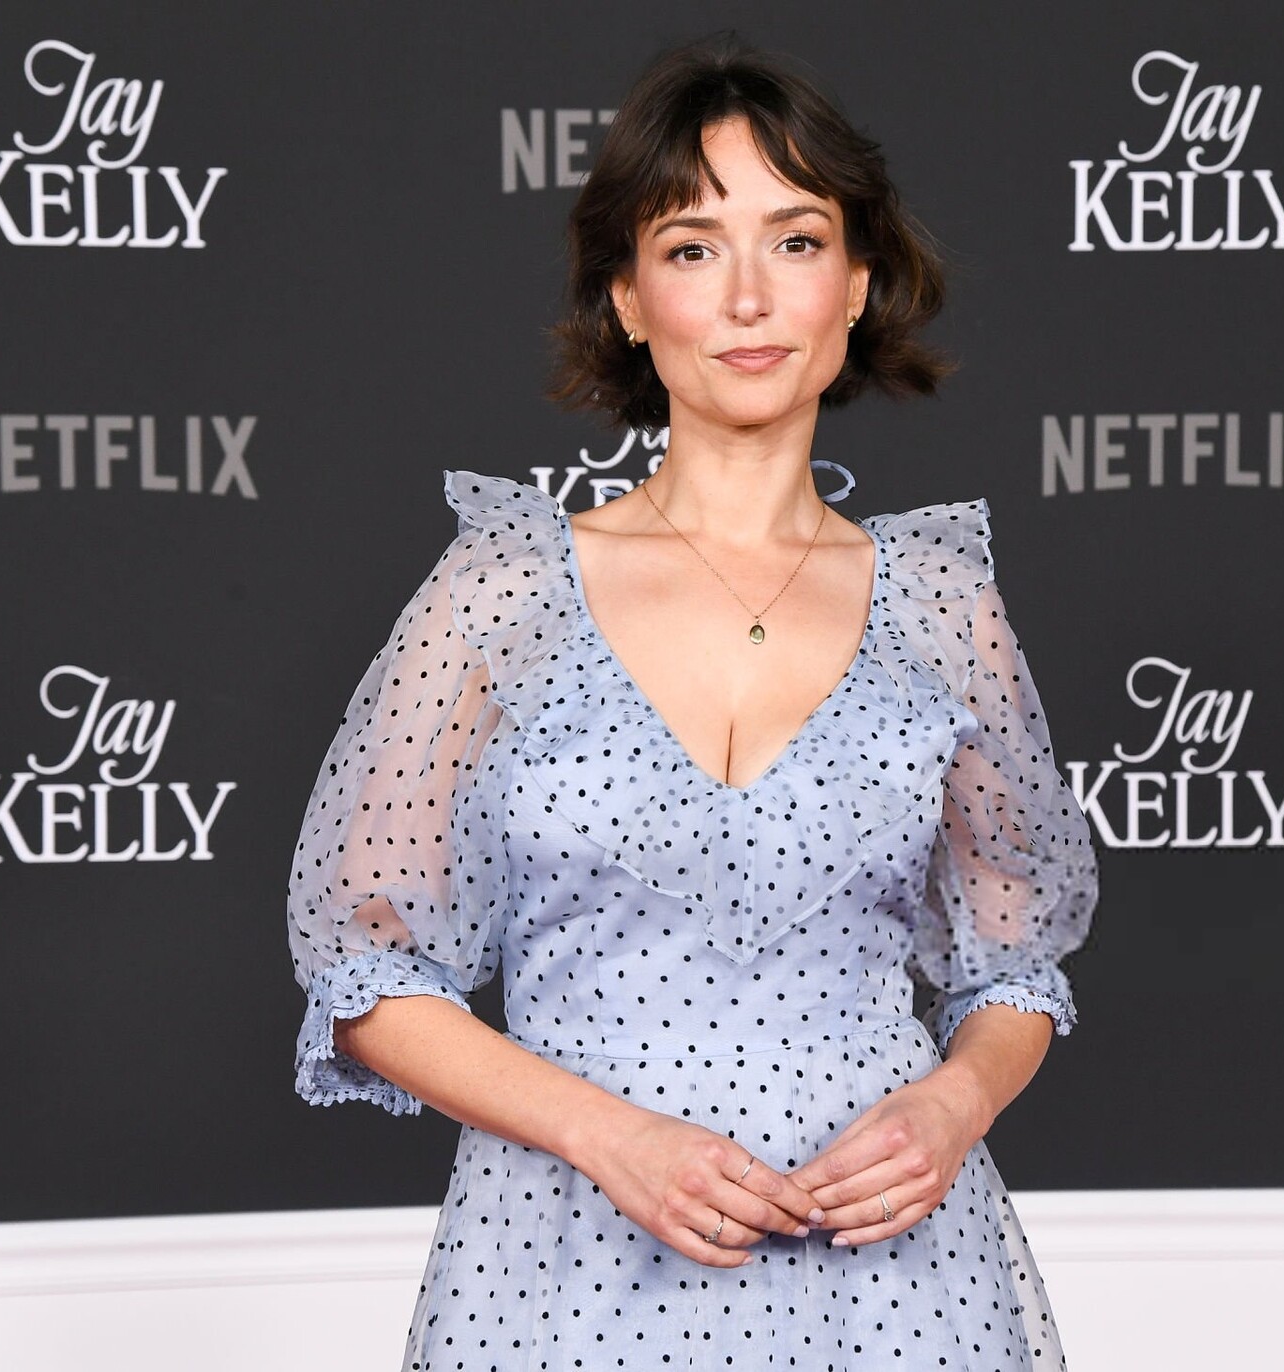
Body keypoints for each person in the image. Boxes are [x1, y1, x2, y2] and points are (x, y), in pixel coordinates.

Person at [287, 31, 1099, 1372]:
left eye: (796, 241)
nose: (748, 298)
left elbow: (1014, 962)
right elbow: (366, 972)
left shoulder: (944, 609)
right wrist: (607, 1135)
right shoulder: (501, 593)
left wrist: (953, 1106)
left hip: (891, 1282)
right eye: (692, 248)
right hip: (564, 1267)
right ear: (626, 296)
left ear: (857, 285)